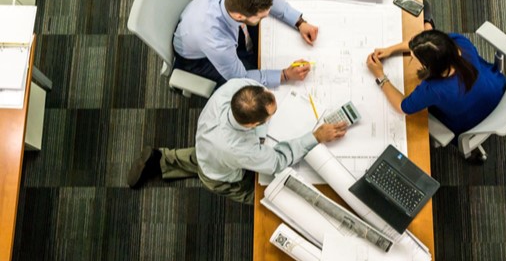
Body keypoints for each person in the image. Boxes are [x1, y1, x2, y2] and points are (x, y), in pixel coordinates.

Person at [127, 78, 348, 205]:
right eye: (271, 115)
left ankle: (161, 159)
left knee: (203, 157)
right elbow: (278, 161)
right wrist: (315, 136)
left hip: (207, 146)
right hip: (221, 175)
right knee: (265, 196)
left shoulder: (237, 88)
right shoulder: (240, 149)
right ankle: (165, 162)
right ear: (252, 125)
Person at [365, 1, 506, 159]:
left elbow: (402, 107)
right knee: (427, 28)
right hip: (498, 91)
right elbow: (431, 44)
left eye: (415, 58)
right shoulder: (459, 43)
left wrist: (380, 76)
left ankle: (427, 23)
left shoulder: (434, 89)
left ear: (430, 66)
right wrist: (390, 50)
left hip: (470, 123)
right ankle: (428, 23)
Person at [173, 0, 319, 89]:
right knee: (249, 87)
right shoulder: (216, 41)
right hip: (196, 59)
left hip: (197, 21)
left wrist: (299, 22)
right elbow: (240, 78)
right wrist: (285, 75)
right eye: (261, 17)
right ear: (239, 16)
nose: (266, 17)